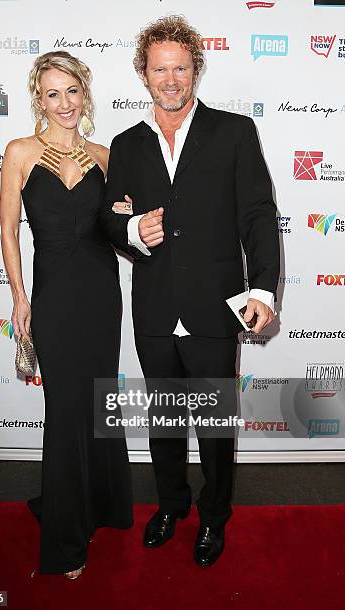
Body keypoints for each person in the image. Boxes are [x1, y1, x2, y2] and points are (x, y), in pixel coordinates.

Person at [102, 16, 280, 567]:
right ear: (143, 73)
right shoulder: (126, 144)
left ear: (195, 70)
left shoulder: (233, 132)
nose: (171, 79)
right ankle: (171, 504)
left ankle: (214, 516)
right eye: (160, 69)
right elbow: (110, 221)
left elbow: (257, 216)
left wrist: (264, 292)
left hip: (214, 305)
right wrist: (134, 232)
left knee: (215, 428)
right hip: (155, 309)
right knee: (164, 422)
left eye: (180, 68)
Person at [0, 51, 133, 580]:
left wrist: (127, 221)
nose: (65, 103)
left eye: (72, 90)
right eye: (52, 93)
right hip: (54, 299)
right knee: (66, 412)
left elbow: (116, 233)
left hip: (102, 295)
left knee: (99, 401)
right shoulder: (21, 153)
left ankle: (102, 505)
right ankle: (67, 538)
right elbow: (8, 231)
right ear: (39, 99)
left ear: (85, 93)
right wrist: (18, 297)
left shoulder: (105, 156)